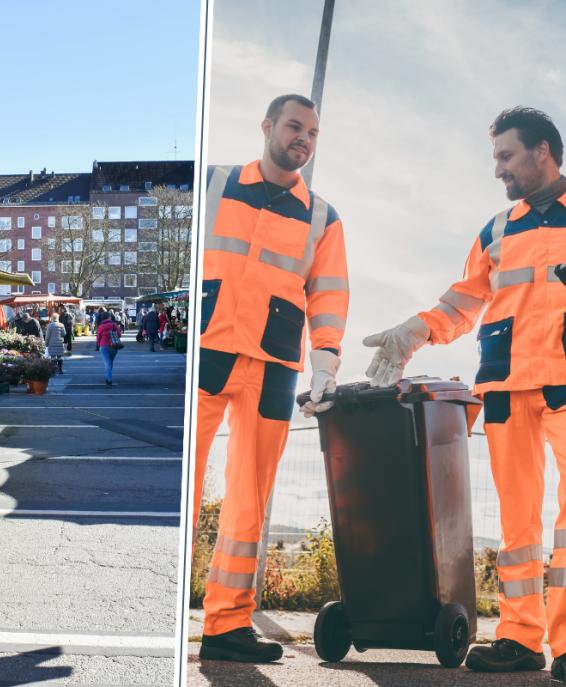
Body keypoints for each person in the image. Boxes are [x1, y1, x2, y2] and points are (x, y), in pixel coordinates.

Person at [364, 107, 566, 676]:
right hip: (504, 390)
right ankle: (522, 640)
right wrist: (416, 331)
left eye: (506, 156)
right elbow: (463, 302)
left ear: (543, 151)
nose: (498, 170)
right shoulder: (497, 229)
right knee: (518, 525)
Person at [195, 94, 348, 664]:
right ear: (267, 127)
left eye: (312, 132)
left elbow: (329, 298)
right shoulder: (212, 184)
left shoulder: (323, 218)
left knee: (249, 500)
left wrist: (326, 366)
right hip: (208, 351)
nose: (303, 139)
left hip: (276, 363)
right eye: (294, 126)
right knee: (183, 485)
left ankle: (227, 625)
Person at [96, 314, 122, 386]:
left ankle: (109, 379)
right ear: (109, 317)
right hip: (114, 345)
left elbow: (98, 337)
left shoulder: (100, 326)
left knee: (107, 363)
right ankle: (108, 376)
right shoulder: (114, 325)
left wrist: (98, 344)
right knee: (110, 362)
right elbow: (119, 334)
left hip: (103, 345)